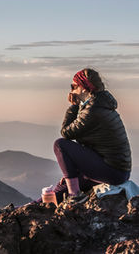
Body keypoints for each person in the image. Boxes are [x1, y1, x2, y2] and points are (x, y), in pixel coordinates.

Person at [50, 68, 131, 204]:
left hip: (113, 171)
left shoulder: (93, 110)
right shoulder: (99, 104)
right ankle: (28, 208)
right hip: (115, 169)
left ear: (83, 88)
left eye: (73, 86)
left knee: (60, 144)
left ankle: (75, 195)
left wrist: (73, 107)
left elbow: (66, 133)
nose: (71, 91)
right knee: (58, 193)